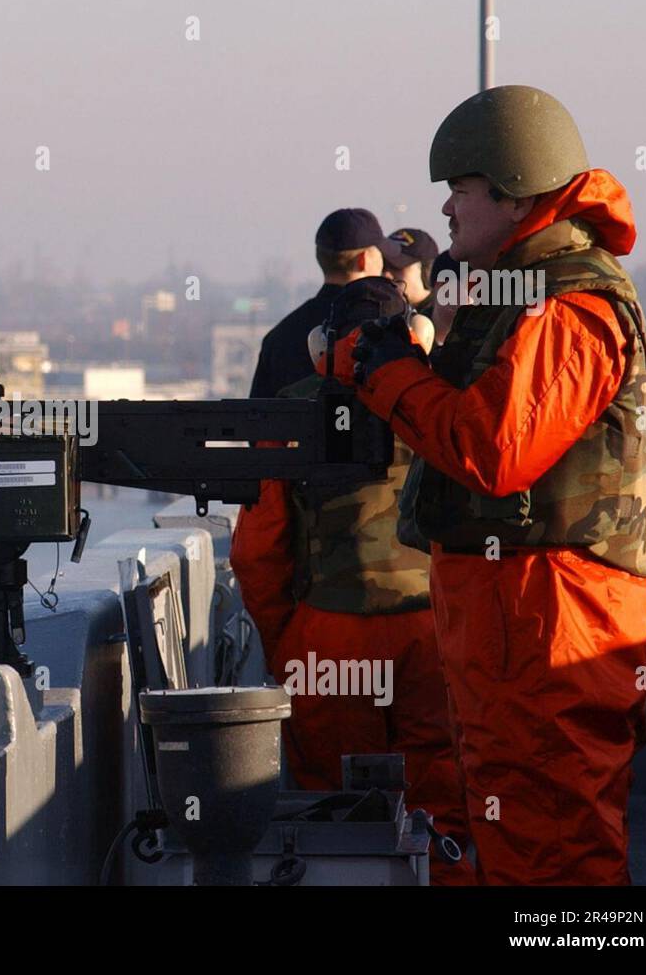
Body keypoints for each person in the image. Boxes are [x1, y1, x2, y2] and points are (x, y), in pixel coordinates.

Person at [339, 84, 646, 885]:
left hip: (551, 617)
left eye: (460, 191)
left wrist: (387, 375)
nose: (449, 212)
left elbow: (495, 449)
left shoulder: (567, 304)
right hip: (521, 616)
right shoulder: (525, 292)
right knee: (520, 830)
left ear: (513, 187)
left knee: (554, 845)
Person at [231, 276, 473, 885]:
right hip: (433, 633)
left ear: (322, 344)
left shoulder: (291, 410)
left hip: (326, 639)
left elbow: (260, 552)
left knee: (333, 814)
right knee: (442, 810)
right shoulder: (446, 400)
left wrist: (289, 643)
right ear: (416, 336)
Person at [248, 209, 410, 398]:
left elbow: (257, 416)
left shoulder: (278, 337)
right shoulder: (386, 325)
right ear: (363, 260)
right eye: (381, 254)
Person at [384, 227, 440, 312]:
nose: (386, 275)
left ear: (428, 272)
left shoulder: (446, 319)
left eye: (397, 267)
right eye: (384, 266)